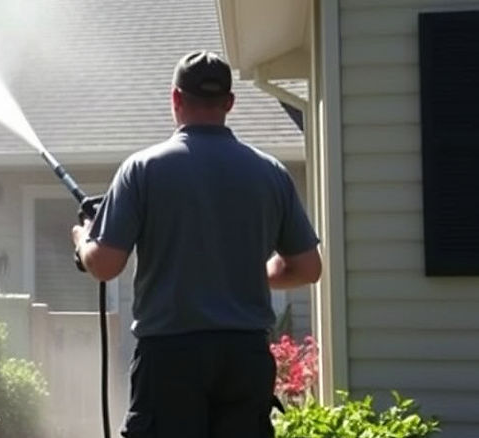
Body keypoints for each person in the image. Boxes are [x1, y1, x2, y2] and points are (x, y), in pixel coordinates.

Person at [70, 50, 322, 438]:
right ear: (229, 103)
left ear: (176, 98)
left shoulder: (142, 169)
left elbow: (105, 265)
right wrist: (243, 272)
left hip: (171, 359)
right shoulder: (270, 173)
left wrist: (84, 239)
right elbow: (307, 268)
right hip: (245, 359)